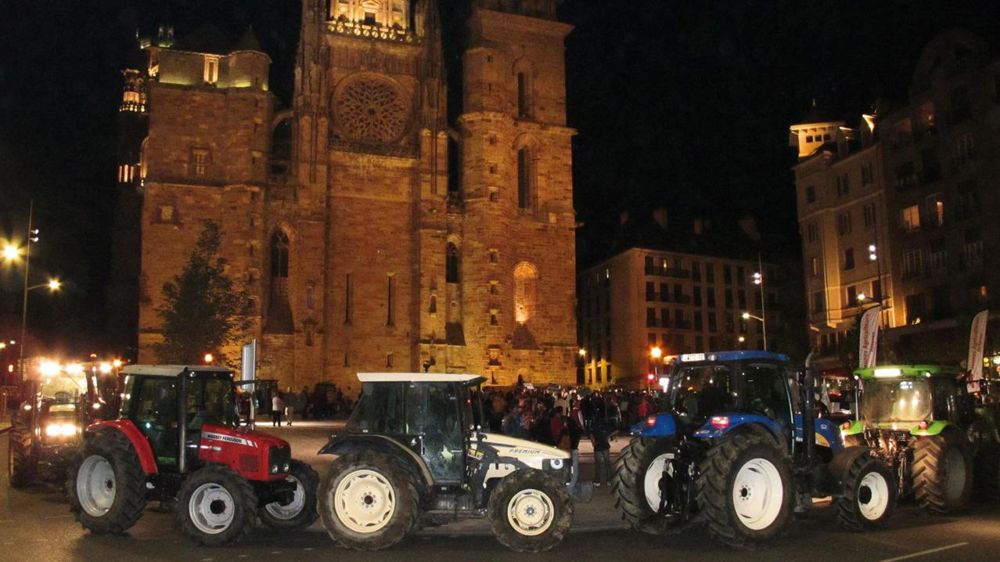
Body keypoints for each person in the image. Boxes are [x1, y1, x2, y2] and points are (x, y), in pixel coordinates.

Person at [591, 414, 613, 487]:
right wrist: (607, 437)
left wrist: (593, 442)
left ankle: (597, 481)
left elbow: (591, 434)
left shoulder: (594, 425)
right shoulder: (606, 425)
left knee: (598, 464)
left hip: (597, 446)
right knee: (607, 463)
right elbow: (615, 430)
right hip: (605, 445)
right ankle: (609, 480)